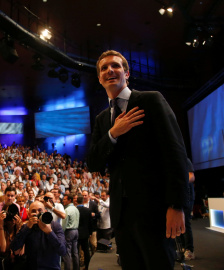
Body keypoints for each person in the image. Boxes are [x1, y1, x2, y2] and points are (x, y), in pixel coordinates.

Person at [87, 50, 189, 269]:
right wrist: (113, 133)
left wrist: (177, 205)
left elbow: (175, 153)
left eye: (115, 66)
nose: (109, 71)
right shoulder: (103, 119)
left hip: (155, 209)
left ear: (127, 73)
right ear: (99, 79)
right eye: (104, 68)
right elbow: (93, 162)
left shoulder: (150, 100)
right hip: (122, 216)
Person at [10, 201, 66, 270]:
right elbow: (14, 247)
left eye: (40, 211)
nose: (37, 213)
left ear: (45, 212)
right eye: (33, 211)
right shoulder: (26, 227)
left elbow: (62, 251)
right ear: (29, 214)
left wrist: (50, 232)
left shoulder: (55, 226)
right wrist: (27, 228)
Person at [62, 194, 80, 270]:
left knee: (67, 253)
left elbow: (64, 224)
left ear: (69, 200)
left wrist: (61, 232)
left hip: (69, 231)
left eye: (65, 199)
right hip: (76, 231)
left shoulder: (67, 210)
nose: (63, 201)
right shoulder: (76, 209)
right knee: (75, 252)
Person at [76, 195, 93, 270]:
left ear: (76, 201)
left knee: (76, 252)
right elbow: (90, 223)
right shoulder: (88, 210)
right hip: (85, 233)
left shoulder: (75, 210)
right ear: (83, 201)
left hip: (76, 233)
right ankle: (87, 267)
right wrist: (90, 233)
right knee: (86, 251)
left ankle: (77, 267)